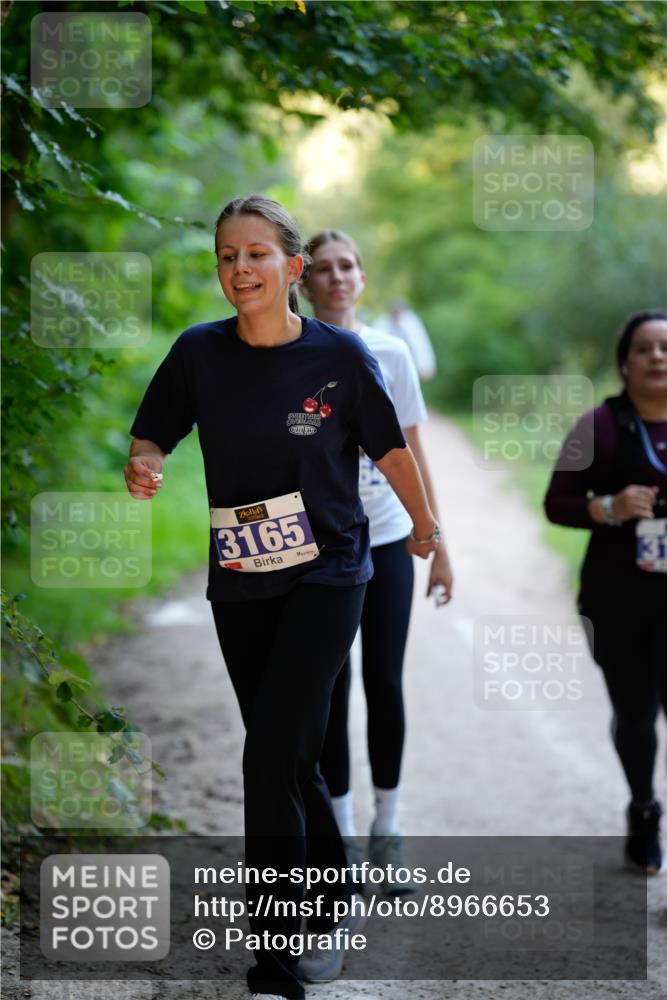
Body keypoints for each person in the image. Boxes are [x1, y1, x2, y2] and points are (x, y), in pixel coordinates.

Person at [124, 195, 444, 1000]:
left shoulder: (338, 354)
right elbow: (154, 427)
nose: (241, 269)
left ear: (291, 268)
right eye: (228, 256)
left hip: (329, 572)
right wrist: (144, 461)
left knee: (267, 752)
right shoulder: (199, 353)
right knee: (288, 750)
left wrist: (424, 524)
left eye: (258, 254)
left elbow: (390, 444)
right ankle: (333, 889)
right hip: (240, 578)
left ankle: (280, 943)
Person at [301, 229, 453, 890]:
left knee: (383, 681)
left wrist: (439, 546)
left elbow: (413, 453)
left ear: (361, 277)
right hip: (319, 543)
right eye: (325, 269)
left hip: (388, 535)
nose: (337, 277)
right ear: (303, 281)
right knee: (329, 688)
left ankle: (387, 829)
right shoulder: (289, 353)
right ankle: (338, 840)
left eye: (348, 266)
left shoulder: (389, 351)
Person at [544, 309, 667, 875]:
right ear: (625, 362)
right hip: (620, 599)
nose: (657, 357)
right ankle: (644, 808)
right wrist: (609, 507)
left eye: (665, 348)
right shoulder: (600, 425)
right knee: (637, 713)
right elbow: (557, 502)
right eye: (644, 348)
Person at [375, 299, 437, 381]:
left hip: (409, 365)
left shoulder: (411, 323)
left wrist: (426, 365)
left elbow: (420, 345)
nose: (397, 316)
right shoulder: (383, 323)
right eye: (395, 313)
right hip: (388, 367)